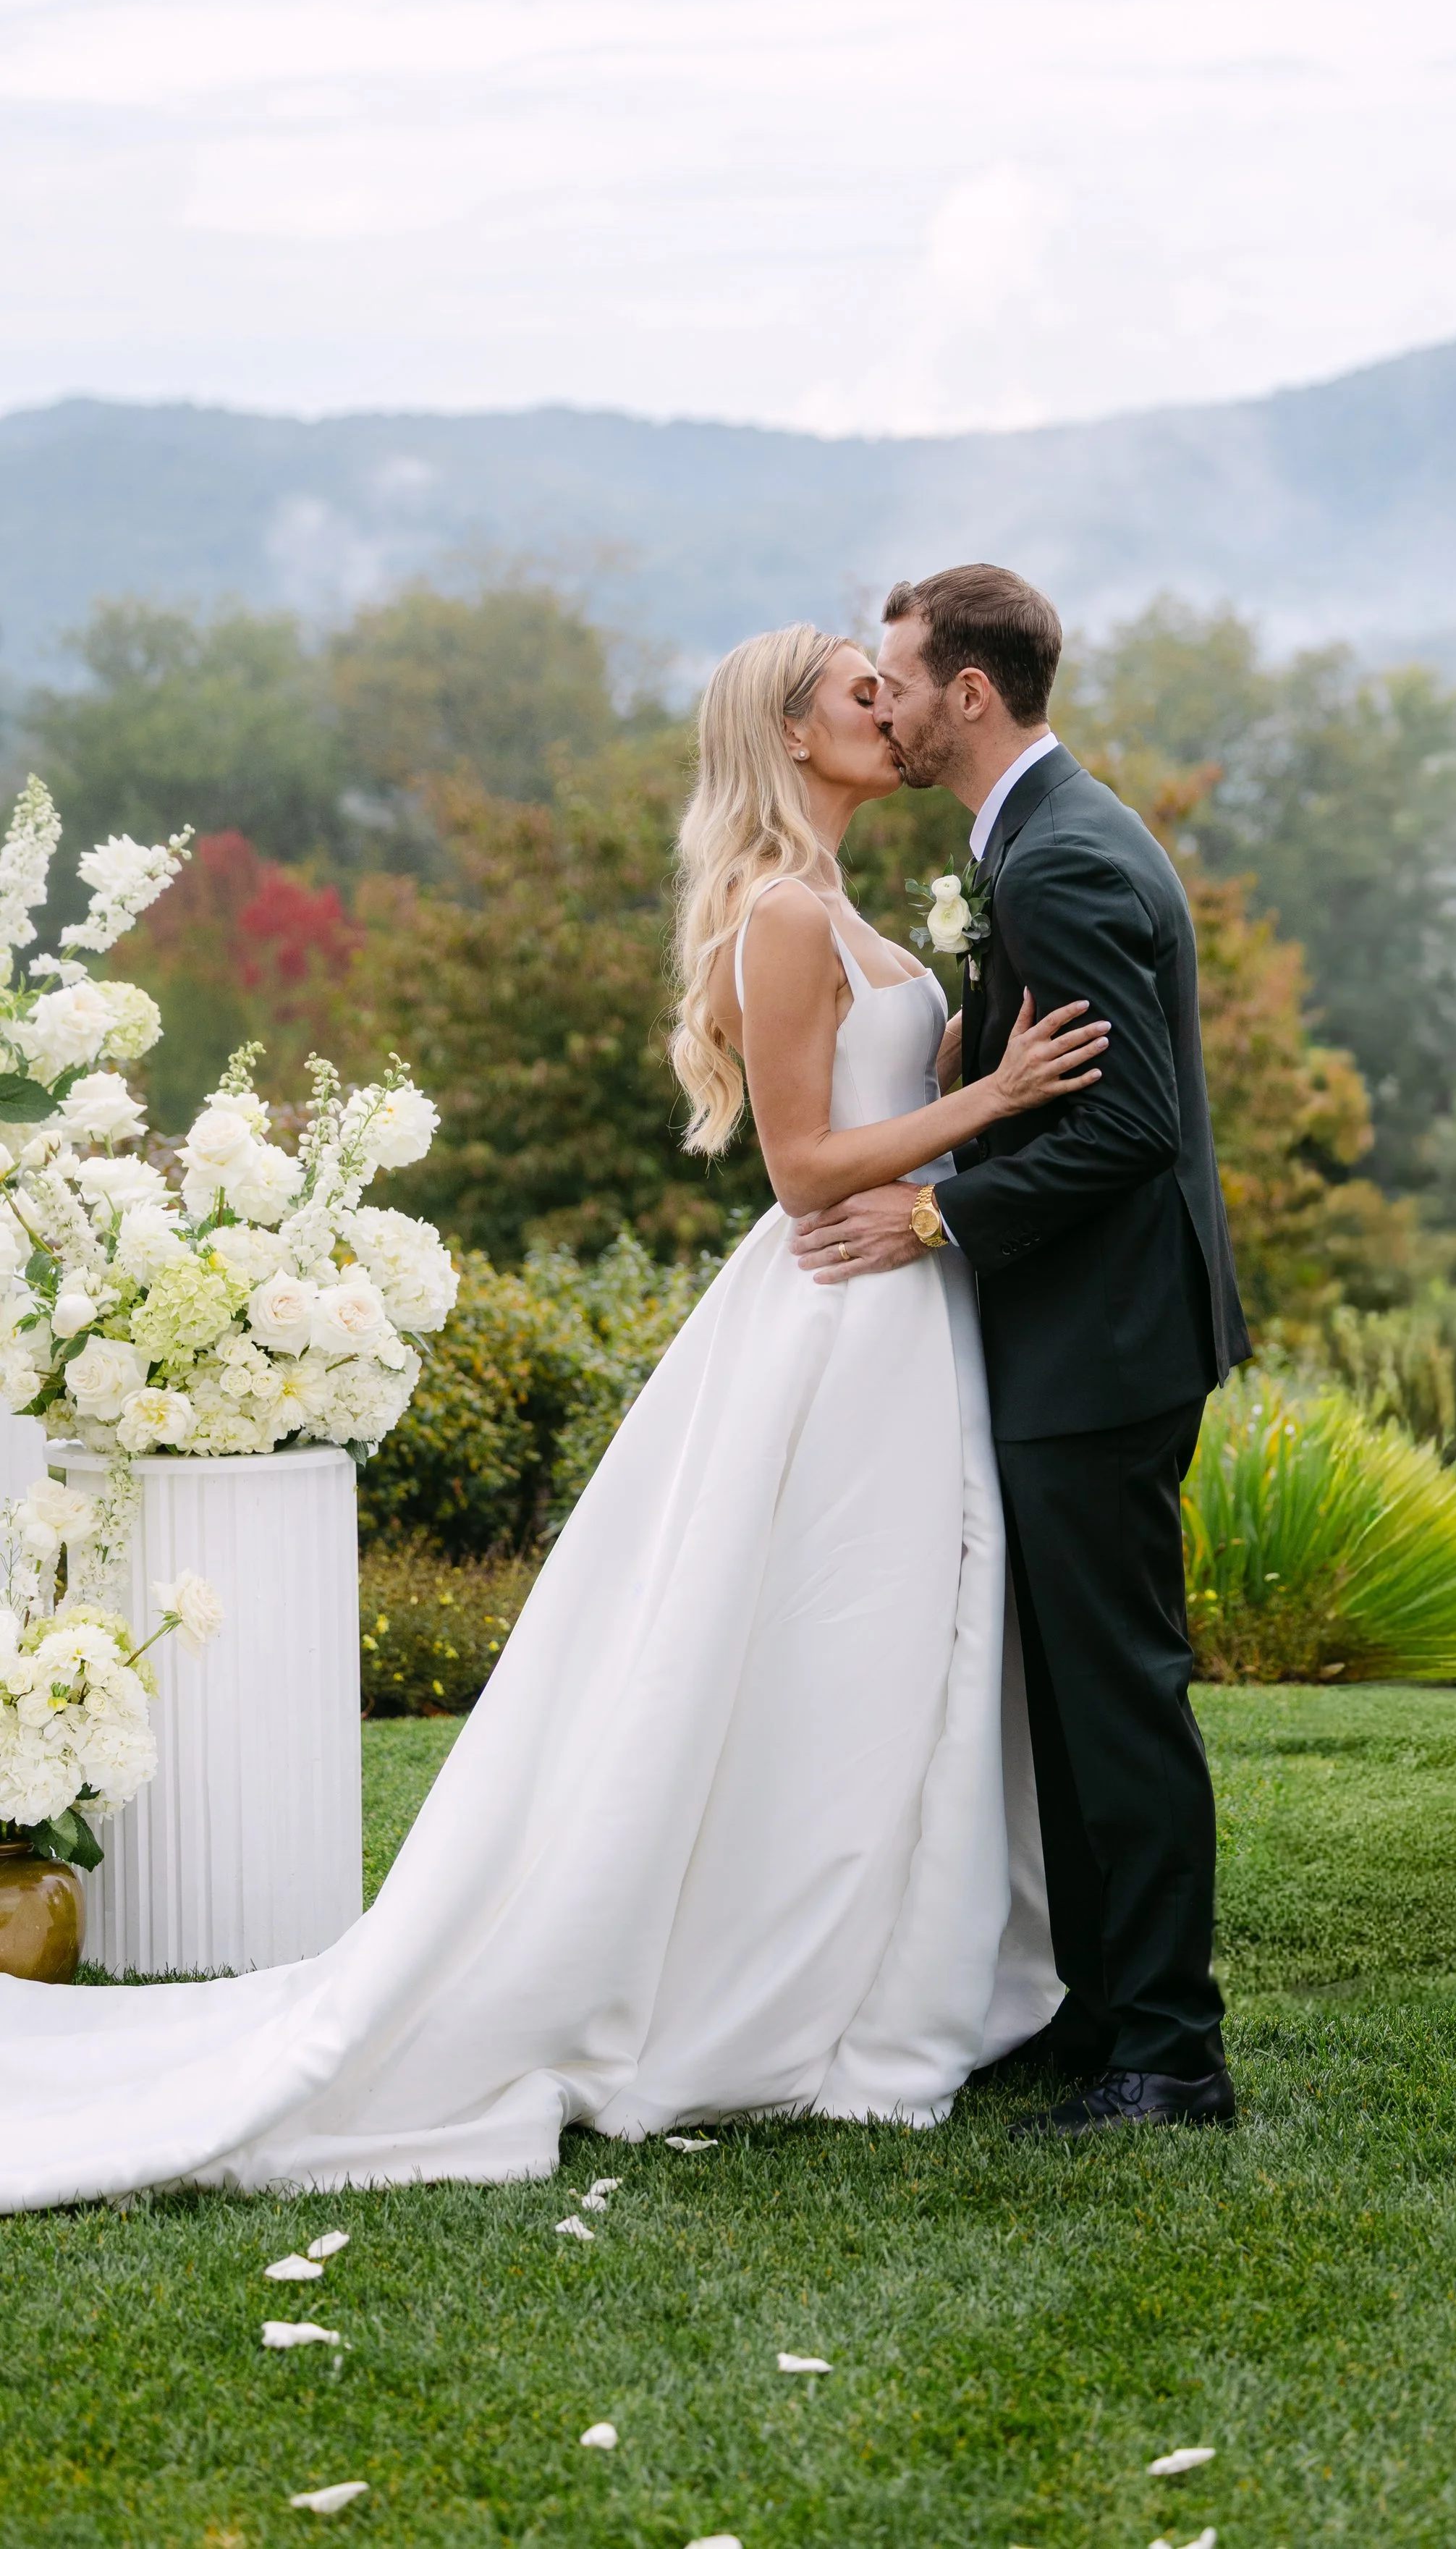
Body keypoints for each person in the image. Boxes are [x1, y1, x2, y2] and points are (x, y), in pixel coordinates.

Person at [0, 622, 1099, 2210]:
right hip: (833, 1315)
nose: (895, 712)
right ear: (789, 735)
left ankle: (879, 1974)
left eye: (894, 687)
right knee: (821, 1637)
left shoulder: (849, 908)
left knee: (881, 1651)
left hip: (904, 1314)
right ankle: (777, 1987)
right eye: (863, 695)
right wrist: (991, 1104)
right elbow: (800, 1167)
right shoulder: (781, 917)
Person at [793, 565, 1250, 2136]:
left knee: (1117, 1690)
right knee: (1068, 1689)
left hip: (1101, 1343)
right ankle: (1105, 2010)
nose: (889, 706)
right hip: (1090, 1332)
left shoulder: (1057, 863)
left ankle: (1171, 2055)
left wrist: (935, 1218)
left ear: (967, 693)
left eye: (901, 681)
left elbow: (1126, 1128)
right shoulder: (1047, 839)